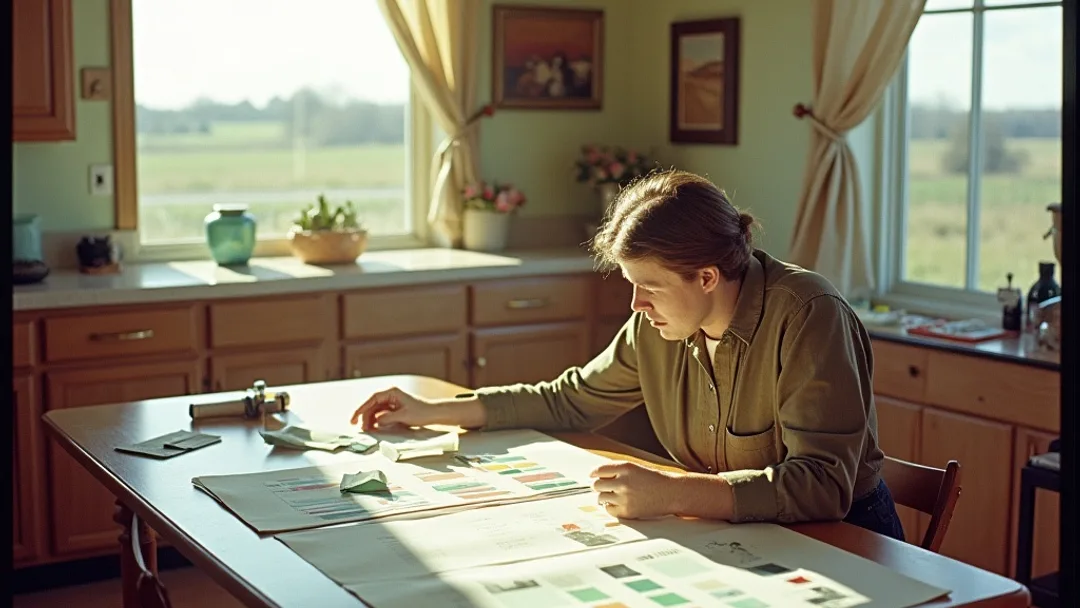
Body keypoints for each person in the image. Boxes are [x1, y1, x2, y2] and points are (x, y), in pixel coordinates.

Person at [350, 169, 905, 541]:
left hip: (842, 540)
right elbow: (568, 402)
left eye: (649, 286)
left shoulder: (808, 314)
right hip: (743, 532)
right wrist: (432, 411)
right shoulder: (656, 325)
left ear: (707, 277)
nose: (636, 303)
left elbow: (821, 485)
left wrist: (673, 491)